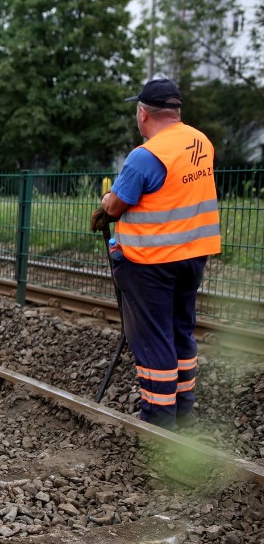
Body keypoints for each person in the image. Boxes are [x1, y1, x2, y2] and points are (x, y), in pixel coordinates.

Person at [90, 78, 221, 430]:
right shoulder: (201, 143)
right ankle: (184, 412)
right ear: (176, 111)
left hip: (151, 263)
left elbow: (116, 203)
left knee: (154, 341)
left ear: (143, 113)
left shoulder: (146, 155)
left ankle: (159, 425)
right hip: (192, 258)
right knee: (181, 332)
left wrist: (105, 204)